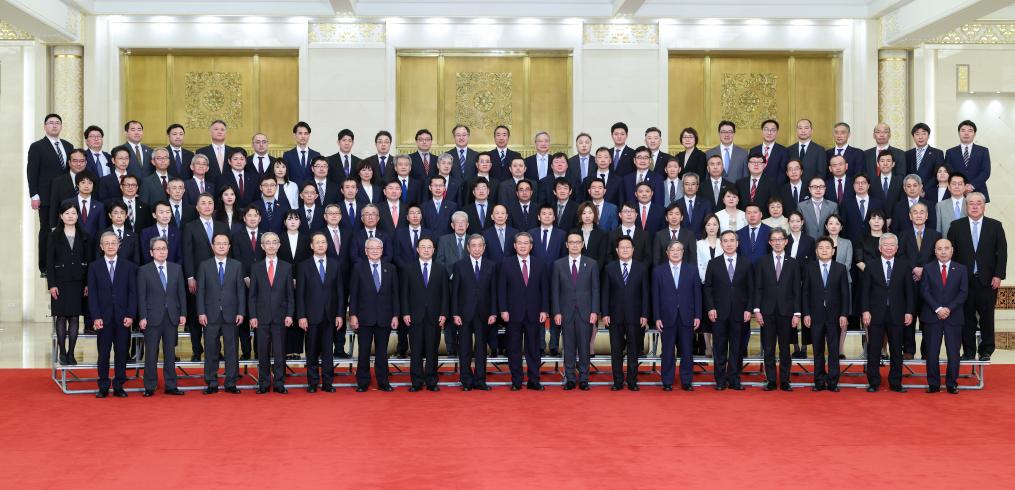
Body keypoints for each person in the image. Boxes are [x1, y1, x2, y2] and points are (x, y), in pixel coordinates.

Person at [947, 192, 1006, 361]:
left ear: (984, 206)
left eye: (978, 203)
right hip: (963, 281)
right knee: (966, 317)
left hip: (988, 281)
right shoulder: (956, 226)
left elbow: (1002, 253)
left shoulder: (995, 226)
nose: (974, 206)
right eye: (971, 203)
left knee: (987, 317)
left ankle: (986, 350)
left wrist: (998, 275)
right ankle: (968, 351)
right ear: (966, 206)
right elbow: (951, 255)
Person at [860, 233, 914, 393]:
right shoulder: (871, 265)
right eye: (885, 245)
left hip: (897, 313)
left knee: (896, 349)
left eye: (892, 245)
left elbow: (909, 292)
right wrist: (865, 311)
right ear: (880, 248)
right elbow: (865, 291)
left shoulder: (904, 265)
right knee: (874, 349)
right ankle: (873, 382)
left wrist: (909, 311)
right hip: (875, 313)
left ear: (897, 248)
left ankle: (895, 382)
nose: (889, 248)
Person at [498, 232, 549, 391]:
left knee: (533, 349)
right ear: (514, 245)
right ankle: (516, 380)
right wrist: (503, 310)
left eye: (526, 243)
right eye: (519, 243)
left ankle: (534, 380)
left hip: (534, 313)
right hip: (513, 313)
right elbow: (501, 289)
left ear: (531, 246)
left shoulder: (539, 264)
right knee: (513, 349)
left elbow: (544, 289)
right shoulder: (506, 263)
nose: (522, 245)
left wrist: (544, 310)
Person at [88, 231, 137, 398]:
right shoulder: (94, 267)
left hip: (123, 318)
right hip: (103, 318)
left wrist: (131, 314)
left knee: (122, 352)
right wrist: (96, 317)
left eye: (113, 243)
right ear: (101, 247)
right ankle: (103, 386)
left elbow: (132, 293)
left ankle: (118, 385)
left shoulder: (128, 266)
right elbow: (92, 295)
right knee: (103, 353)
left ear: (119, 245)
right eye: (107, 243)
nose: (110, 246)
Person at [136, 237, 187, 397]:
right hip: (152, 317)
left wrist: (183, 313)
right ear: (151, 252)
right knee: (151, 353)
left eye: (164, 248)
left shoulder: (176, 268)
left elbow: (181, 293)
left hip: (171, 316)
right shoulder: (144, 270)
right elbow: (141, 296)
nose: (162, 251)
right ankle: (150, 386)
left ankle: (171, 385)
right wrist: (142, 316)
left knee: (170, 353)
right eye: (158, 249)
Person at [196, 233, 246, 395]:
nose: (222, 246)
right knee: (211, 349)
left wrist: (241, 312)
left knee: (232, 350)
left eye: (225, 243)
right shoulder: (204, 265)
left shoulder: (237, 265)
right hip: (210, 314)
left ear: (229, 247)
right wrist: (201, 312)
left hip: (232, 314)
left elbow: (240, 290)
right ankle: (211, 382)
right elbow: (200, 291)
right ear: (212, 246)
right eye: (218, 243)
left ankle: (231, 382)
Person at [182, 193, 230, 361]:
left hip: (218, 277)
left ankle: (216, 350)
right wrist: (190, 277)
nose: (207, 206)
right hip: (198, 277)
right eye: (203, 203)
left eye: (210, 202)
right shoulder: (190, 227)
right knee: (197, 315)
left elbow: (228, 252)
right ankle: (197, 351)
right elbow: (187, 253)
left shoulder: (222, 226)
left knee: (216, 315)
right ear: (197, 207)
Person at [703, 230, 752, 390]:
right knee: (719, 347)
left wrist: (749, 309)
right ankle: (720, 380)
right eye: (725, 241)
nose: (729, 244)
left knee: (737, 348)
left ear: (737, 243)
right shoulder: (713, 263)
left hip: (740, 312)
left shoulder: (746, 263)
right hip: (719, 312)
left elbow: (751, 288)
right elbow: (708, 288)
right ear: (721, 243)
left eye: (732, 240)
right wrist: (710, 307)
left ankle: (734, 379)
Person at [348, 237, 399, 392]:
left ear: (382, 250)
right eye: (371, 248)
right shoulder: (358, 268)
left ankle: (383, 382)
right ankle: (362, 383)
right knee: (363, 351)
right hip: (364, 317)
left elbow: (395, 294)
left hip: (385, 317)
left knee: (382, 352)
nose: (375, 251)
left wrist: (395, 315)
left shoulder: (390, 268)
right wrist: (353, 315)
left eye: (378, 248)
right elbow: (354, 294)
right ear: (366, 251)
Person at [752, 227, 801, 391]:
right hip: (767, 312)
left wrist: (797, 313)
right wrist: (757, 310)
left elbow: (797, 289)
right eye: (774, 239)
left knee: (785, 348)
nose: (777, 242)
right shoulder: (762, 262)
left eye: (780, 239)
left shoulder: (793, 263)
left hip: (787, 312)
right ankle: (771, 380)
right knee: (768, 348)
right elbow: (758, 287)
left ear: (786, 242)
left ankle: (785, 381)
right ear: (770, 242)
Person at [296, 232, 345, 392]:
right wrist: (301, 316)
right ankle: (312, 383)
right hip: (310, 316)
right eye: (317, 242)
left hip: (330, 315)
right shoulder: (303, 266)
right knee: (311, 351)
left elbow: (340, 292)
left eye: (323, 242)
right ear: (312, 246)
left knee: (328, 352)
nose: (321, 245)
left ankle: (328, 383)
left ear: (327, 245)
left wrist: (340, 314)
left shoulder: (335, 264)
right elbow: (300, 294)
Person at [551, 233, 600, 391]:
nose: (574, 245)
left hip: (586, 312)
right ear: (567, 245)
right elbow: (555, 290)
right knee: (568, 347)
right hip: (566, 312)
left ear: (582, 244)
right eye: (571, 242)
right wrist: (556, 312)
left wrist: (595, 311)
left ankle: (584, 378)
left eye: (578, 242)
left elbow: (595, 289)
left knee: (585, 347)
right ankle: (570, 378)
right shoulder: (558, 264)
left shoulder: (591, 263)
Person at [248, 232, 294, 394]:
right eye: (268, 242)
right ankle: (264, 383)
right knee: (262, 352)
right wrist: (253, 316)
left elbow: (290, 294)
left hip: (281, 317)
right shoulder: (256, 267)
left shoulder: (286, 267)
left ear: (279, 245)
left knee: (280, 352)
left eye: (275, 242)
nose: (271, 245)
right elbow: (252, 295)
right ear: (262, 246)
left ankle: (279, 383)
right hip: (261, 317)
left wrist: (289, 314)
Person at [601, 236, 650, 390]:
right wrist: (605, 313)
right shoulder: (610, 268)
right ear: (617, 250)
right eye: (622, 247)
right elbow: (605, 292)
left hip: (635, 316)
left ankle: (632, 381)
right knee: (616, 350)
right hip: (614, 316)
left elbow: (645, 293)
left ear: (633, 250)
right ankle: (617, 381)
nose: (625, 250)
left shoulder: (641, 268)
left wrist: (645, 314)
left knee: (633, 350)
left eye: (628, 247)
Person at [47, 202, 93, 365]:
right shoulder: (54, 235)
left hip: (78, 282)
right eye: (67, 213)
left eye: (73, 213)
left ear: (77, 216)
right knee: (61, 317)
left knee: (74, 317)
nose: (70, 216)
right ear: (61, 216)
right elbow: (49, 262)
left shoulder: (84, 235)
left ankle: (71, 353)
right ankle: (62, 352)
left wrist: (87, 283)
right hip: (60, 282)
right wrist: (52, 284)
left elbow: (89, 261)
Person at [28, 114, 75, 274]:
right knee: (47, 229)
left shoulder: (68, 145)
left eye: (57, 123)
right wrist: (34, 195)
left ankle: (63, 261)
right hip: (46, 196)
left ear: (61, 126)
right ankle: (45, 266)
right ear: (45, 126)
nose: (54, 125)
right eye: (51, 123)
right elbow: (32, 172)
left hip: (66, 196)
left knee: (66, 228)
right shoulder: (37, 146)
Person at [802, 236, 850, 392]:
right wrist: (806, 313)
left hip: (834, 316)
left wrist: (844, 314)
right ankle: (819, 381)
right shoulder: (809, 268)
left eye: (827, 248)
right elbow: (805, 292)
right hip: (815, 315)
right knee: (818, 350)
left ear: (833, 251)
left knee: (834, 350)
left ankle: (833, 382)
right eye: (821, 248)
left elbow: (845, 294)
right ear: (816, 251)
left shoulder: (840, 268)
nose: (824, 250)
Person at [401, 237, 449, 391]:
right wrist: (405, 312)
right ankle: (416, 382)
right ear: (417, 249)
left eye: (429, 247)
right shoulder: (409, 268)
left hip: (434, 316)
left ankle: (431, 381)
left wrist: (444, 313)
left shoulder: (441, 269)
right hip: (414, 316)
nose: (426, 250)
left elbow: (445, 294)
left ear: (434, 250)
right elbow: (404, 293)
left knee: (432, 351)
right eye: (423, 247)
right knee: (415, 351)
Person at [921, 239, 968, 394]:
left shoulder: (961, 269)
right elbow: (925, 291)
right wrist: (938, 308)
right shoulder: (928, 268)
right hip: (932, 316)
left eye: (946, 248)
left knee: (953, 353)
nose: (943, 252)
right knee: (932, 352)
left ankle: (952, 384)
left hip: (953, 316)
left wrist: (948, 309)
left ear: (952, 250)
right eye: (939, 249)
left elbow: (963, 293)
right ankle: (933, 384)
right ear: (935, 251)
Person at [452, 234, 498, 391]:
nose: (477, 249)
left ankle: (480, 380)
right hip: (464, 313)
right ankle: (466, 380)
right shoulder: (459, 265)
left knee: (481, 349)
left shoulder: (491, 265)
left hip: (484, 313)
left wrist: (493, 312)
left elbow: (494, 291)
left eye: (480, 246)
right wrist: (455, 313)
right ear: (468, 248)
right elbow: (455, 291)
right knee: (464, 348)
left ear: (484, 248)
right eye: (473, 245)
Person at [654, 240, 702, 391]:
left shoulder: (692, 270)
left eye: (678, 250)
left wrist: (698, 315)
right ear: (667, 253)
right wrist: (657, 317)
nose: (675, 252)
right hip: (666, 317)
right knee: (667, 351)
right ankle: (667, 381)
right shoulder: (658, 271)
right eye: (672, 250)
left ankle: (686, 381)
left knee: (687, 351)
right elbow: (655, 296)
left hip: (687, 317)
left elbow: (697, 294)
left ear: (683, 252)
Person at [899, 202, 941, 359]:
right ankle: (908, 350)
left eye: (922, 212)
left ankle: (927, 350)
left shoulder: (935, 235)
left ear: (927, 216)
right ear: (910, 216)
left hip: (928, 284)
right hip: (908, 282)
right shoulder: (902, 235)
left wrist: (923, 269)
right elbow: (900, 256)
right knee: (908, 316)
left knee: (928, 319)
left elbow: (938, 257)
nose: (918, 215)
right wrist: (914, 268)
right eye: (915, 212)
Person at [695, 214, 723, 357]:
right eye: (708, 224)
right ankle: (708, 346)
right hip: (704, 283)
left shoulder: (723, 242)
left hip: (721, 285)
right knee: (706, 316)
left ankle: (718, 346)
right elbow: (698, 264)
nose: (711, 227)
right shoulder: (699, 244)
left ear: (718, 226)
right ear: (705, 227)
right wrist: (705, 279)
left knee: (719, 316)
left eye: (714, 224)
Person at [944, 120, 991, 201]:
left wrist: (972, 185)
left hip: (978, 191)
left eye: (970, 130)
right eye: (963, 130)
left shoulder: (983, 151)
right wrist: (961, 186)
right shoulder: (950, 152)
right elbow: (949, 172)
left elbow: (985, 172)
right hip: (956, 192)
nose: (966, 133)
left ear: (974, 134)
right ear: (959, 133)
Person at [574, 202, 608, 267]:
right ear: (580, 215)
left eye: (590, 213)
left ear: (595, 214)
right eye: (584, 213)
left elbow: (602, 257)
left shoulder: (601, 234)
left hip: (595, 269)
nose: (587, 216)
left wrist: (595, 271)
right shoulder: (574, 232)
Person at [935, 172, 967, 236]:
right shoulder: (940, 206)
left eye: (960, 184)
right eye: (954, 184)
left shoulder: (970, 204)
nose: (957, 186)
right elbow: (938, 229)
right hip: (947, 241)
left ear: (964, 187)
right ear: (949, 187)